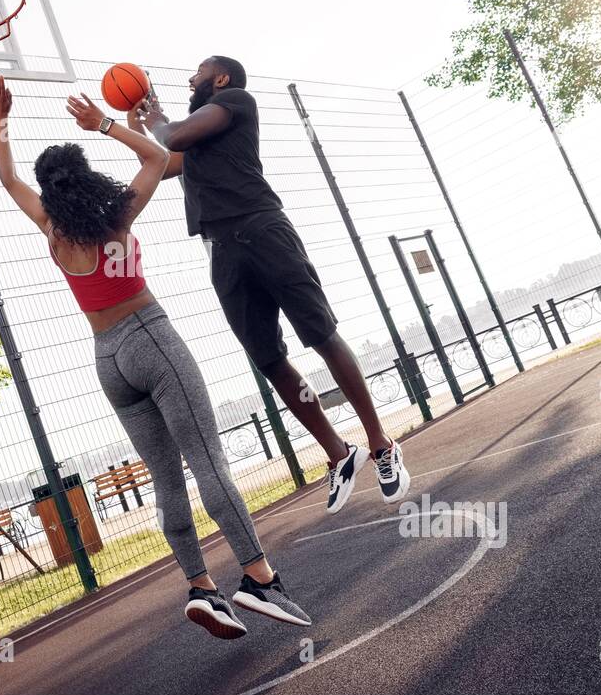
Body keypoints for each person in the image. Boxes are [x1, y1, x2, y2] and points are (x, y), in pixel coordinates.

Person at [0, 74, 310, 640]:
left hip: (107, 360)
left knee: (166, 481)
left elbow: (6, 178)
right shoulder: (116, 215)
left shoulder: (52, 229)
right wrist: (105, 124)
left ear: (51, 190)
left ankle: (201, 587)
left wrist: (1, 119)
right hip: (151, 337)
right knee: (209, 461)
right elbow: (159, 156)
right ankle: (259, 577)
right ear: (85, 178)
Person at [135, 56, 411, 515]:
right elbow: (165, 161)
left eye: (199, 71)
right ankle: (340, 455)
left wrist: (157, 118)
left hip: (263, 230)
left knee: (320, 334)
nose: (191, 77)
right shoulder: (198, 135)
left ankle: (381, 443)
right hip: (222, 248)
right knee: (269, 359)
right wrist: (129, 123)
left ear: (220, 79)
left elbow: (175, 135)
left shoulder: (235, 101)